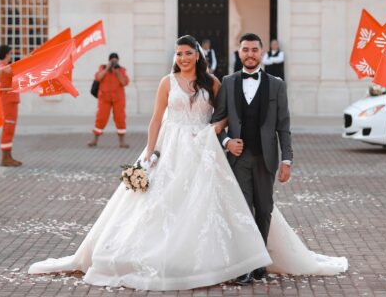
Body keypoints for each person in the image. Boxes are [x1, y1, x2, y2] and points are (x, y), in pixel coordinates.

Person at [28, 35, 347, 290]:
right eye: (179, 54)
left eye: (188, 53)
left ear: (198, 55)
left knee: (208, 204)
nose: (183, 58)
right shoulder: (166, 83)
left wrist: (215, 133)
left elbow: (222, 118)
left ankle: (234, 260)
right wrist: (150, 153)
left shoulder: (214, 82)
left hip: (202, 149)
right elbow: (155, 120)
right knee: (158, 204)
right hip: (169, 147)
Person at [212, 33, 347, 284]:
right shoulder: (228, 82)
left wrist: (287, 160)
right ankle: (245, 264)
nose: (250, 54)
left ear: (261, 53)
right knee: (242, 210)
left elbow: (283, 126)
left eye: (254, 49)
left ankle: (260, 260)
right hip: (238, 160)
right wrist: (227, 142)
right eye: (245, 49)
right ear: (239, 53)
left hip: (266, 158)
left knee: (264, 210)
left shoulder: (276, 85)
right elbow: (216, 121)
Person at [87, 53, 130, 148]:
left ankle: (122, 141)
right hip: (104, 98)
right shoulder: (102, 68)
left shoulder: (121, 70)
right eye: (112, 61)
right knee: (100, 118)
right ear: (109, 61)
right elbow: (98, 78)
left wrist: (117, 72)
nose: (114, 62)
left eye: (115, 60)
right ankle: (95, 139)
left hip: (118, 99)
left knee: (120, 118)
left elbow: (124, 82)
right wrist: (107, 69)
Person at [0, 45, 22, 167]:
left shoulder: (3, 66)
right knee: (8, 128)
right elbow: (12, 71)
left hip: (10, 100)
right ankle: (5, 157)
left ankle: (8, 156)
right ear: (7, 54)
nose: (11, 56)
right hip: (8, 101)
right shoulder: (3, 66)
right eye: (10, 53)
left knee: (10, 128)